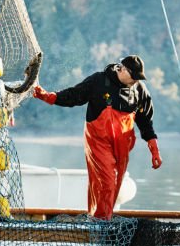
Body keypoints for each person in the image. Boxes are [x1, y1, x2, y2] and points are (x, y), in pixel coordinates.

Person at [33, 56, 162, 220]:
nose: (136, 81)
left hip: (123, 144)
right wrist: (50, 97)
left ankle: (99, 217)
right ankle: (101, 223)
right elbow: (74, 95)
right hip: (98, 141)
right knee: (106, 181)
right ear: (121, 69)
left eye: (139, 77)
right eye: (134, 76)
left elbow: (145, 120)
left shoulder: (139, 90)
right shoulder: (99, 81)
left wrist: (154, 148)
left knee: (114, 184)